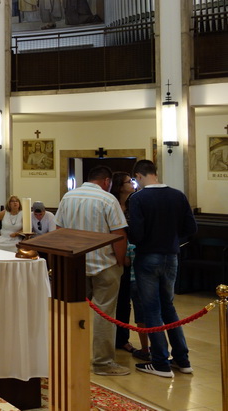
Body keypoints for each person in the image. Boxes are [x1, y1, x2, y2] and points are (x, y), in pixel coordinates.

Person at [55, 165, 129, 376]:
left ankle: (68, 356)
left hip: (75, 263)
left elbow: (58, 231)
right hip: (104, 264)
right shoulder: (107, 199)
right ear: (106, 182)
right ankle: (103, 363)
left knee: (72, 311)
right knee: (105, 313)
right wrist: (120, 260)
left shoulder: (68, 197)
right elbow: (119, 234)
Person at [128, 159, 198, 378]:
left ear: (138, 176)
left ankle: (160, 362)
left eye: (135, 180)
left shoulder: (138, 198)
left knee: (151, 309)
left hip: (148, 257)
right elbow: (191, 228)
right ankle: (182, 359)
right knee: (168, 307)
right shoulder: (178, 195)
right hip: (172, 256)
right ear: (155, 173)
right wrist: (172, 240)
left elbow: (137, 234)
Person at [109, 172, 150, 361]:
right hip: (113, 255)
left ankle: (123, 339)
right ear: (119, 186)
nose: (132, 184)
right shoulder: (111, 204)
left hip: (133, 256)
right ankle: (112, 337)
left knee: (126, 300)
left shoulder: (135, 202)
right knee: (115, 301)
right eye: (128, 182)